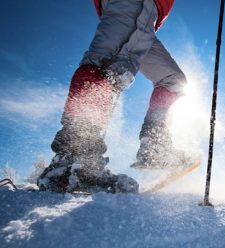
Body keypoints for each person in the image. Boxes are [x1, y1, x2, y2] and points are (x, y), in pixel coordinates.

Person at [37, 0, 191, 193]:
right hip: (134, 4)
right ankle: (76, 160)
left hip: (150, 15)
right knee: (106, 65)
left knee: (173, 81)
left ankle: (154, 145)